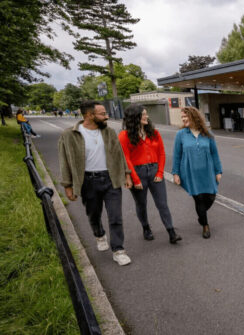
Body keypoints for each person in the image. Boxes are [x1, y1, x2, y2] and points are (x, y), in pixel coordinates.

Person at [58, 100, 133, 266]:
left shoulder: (109, 132)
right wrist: (67, 185)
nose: (106, 116)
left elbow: (119, 155)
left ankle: (118, 250)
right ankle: (99, 234)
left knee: (115, 216)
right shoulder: (69, 135)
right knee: (94, 213)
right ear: (89, 115)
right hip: (87, 181)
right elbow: (64, 161)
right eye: (102, 113)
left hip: (110, 178)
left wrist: (127, 175)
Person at [118, 104, 182, 244]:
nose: (147, 116)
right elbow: (126, 158)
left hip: (154, 170)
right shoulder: (124, 136)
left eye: (146, 114)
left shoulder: (154, 132)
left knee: (162, 204)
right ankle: (146, 228)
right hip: (138, 172)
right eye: (144, 114)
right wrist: (135, 179)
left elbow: (161, 153)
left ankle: (171, 232)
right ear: (135, 117)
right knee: (141, 204)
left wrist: (160, 172)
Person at [172, 107, 222, 239]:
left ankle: (201, 215)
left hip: (208, 171)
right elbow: (177, 155)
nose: (183, 119)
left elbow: (214, 153)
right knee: (199, 198)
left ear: (194, 116)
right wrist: (175, 173)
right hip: (190, 172)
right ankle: (205, 225)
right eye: (182, 117)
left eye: (185, 116)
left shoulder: (208, 134)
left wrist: (218, 171)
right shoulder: (181, 134)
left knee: (211, 197)